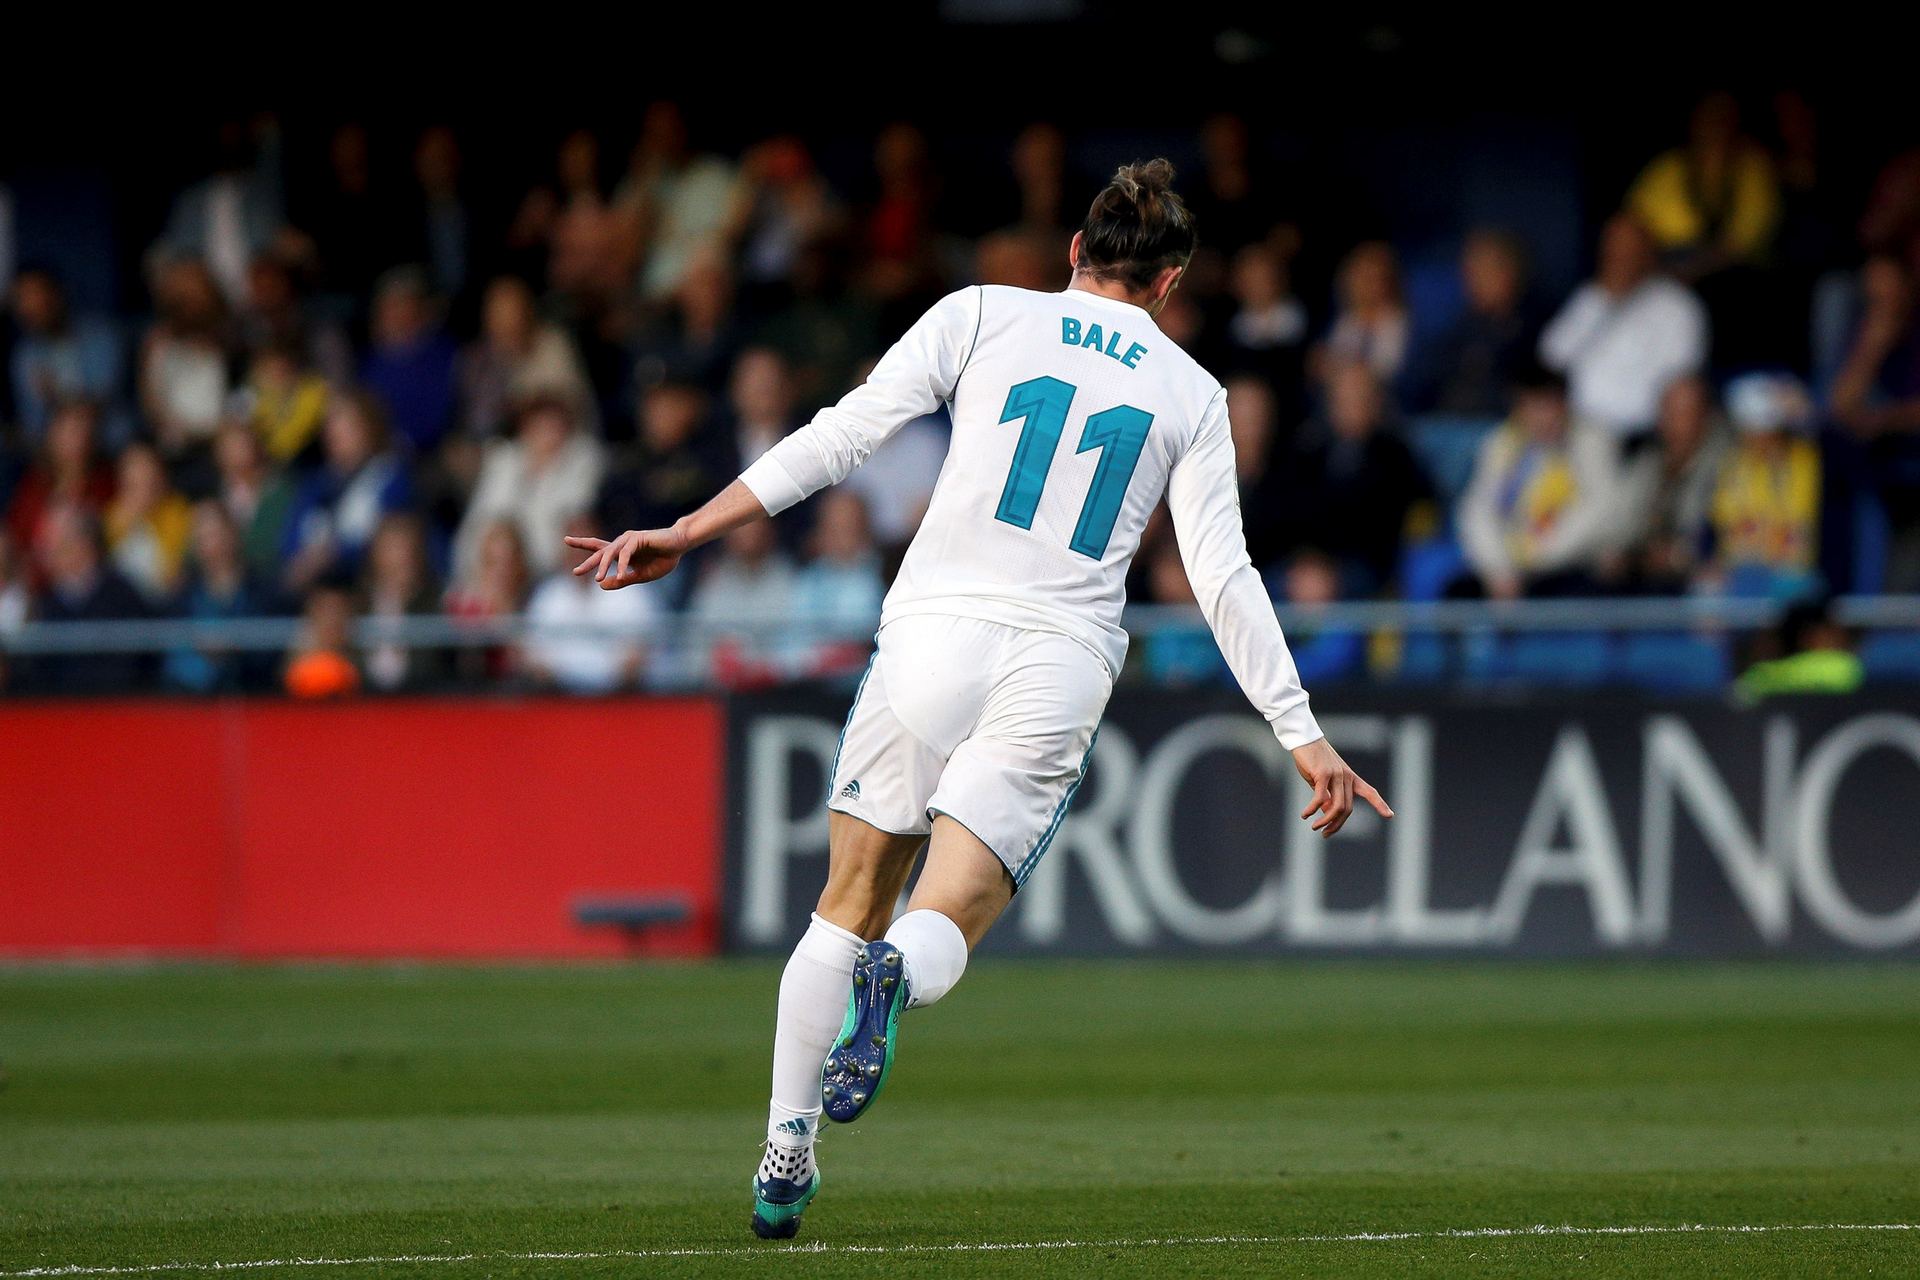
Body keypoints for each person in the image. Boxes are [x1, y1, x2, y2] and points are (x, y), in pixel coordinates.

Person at [563, 160, 1389, 1240]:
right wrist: (1303, 730)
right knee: (951, 904)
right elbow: (1225, 577)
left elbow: (844, 432)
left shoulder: (982, 312)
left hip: (931, 630)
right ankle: (897, 976)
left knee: (846, 895)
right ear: (1173, 281)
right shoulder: (1191, 393)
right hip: (1056, 654)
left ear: (1074, 254)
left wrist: (687, 526)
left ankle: (785, 1146)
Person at [1455, 362, 1620, 598]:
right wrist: (1499, 570)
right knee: (1458, 593)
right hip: (1508, 567)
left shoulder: (1590, 443)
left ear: (1564, 405)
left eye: (1549, 406)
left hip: (1567, 564)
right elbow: (1477, 511)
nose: (1541, 417)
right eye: (1532, 407)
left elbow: (1601, 510)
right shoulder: (1501, 444)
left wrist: (1537, 558)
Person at [1538, 214, 1709, 442]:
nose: (1622, 257)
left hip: (1653, 434)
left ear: (1648, 252)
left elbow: (1683, 375)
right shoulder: (1591, 298)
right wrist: (1605, 303)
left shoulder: (1677, 305)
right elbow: (1552, 356)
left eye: (1631, 249)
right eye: (1614, 248)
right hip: (1585, 427)